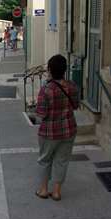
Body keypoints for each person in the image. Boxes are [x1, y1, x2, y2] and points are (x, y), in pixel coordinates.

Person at [35, 54, 79, 201]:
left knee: (45, 160)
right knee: (62, 160)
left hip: (49, 132)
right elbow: (76, 105)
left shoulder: (46, 89)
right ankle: (57, 192)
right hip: (68, 129)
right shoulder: (72, 86)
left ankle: (43, 190)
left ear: (50, 70)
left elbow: (41, 113)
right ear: (65, 70)